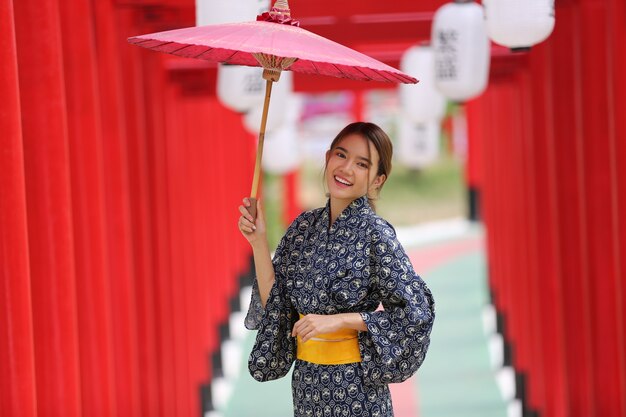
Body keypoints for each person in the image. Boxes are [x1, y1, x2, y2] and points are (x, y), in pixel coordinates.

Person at [237, 122, 435, 417]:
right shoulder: (303, 228)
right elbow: (277, 308)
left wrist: (340, 321)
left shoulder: (375, 234)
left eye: (362, 164)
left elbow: (416, 313)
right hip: (308, 387)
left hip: (356, 390)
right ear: (328, 157)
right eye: (341, 155)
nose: (346, 168)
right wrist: (258, 241)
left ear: (377, 181)